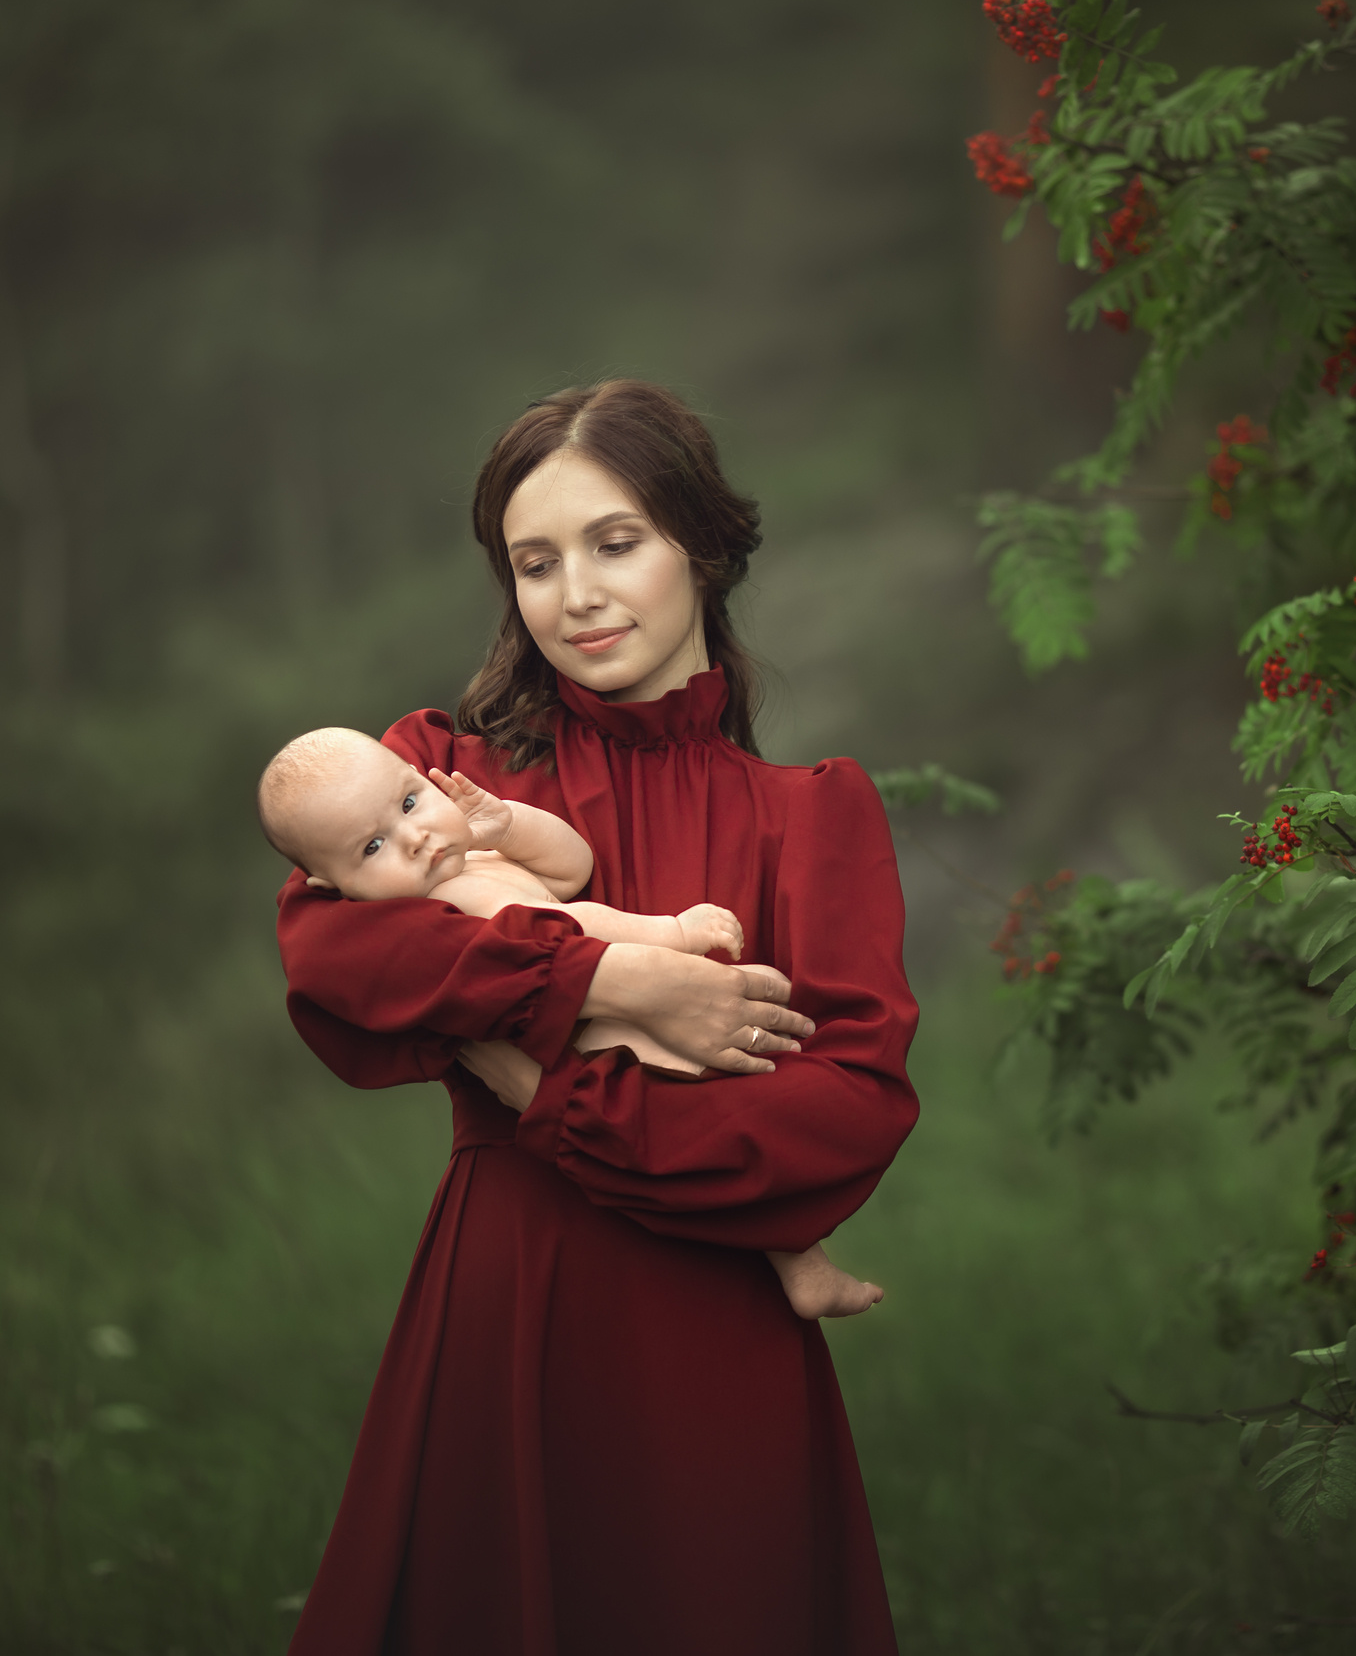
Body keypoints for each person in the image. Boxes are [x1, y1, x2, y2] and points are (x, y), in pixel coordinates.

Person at [277, 378, 918, 1654]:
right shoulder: (443, 777)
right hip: (507, 1301)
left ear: (705, 545)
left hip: (713, 1323)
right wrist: (611, 983)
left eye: (614, 543)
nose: (574, 593)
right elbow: (335, 948)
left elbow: (846, 1112)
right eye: (534, 561)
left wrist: (544, 1088)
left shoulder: (811, 813)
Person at [258, 727, 886, 1320]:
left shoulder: (469, 862)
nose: (414, 837)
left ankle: (799, 1259)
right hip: (603, 1043)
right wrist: (671, 935)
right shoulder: (444, 905)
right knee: (723, 1121)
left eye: (410, 802)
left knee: (727, 1123)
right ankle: (798, 1258)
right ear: (329, 885)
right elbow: (575, 932)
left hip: (606, 1046)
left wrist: (508, 824)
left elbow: (570, 869)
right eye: (372, 848)